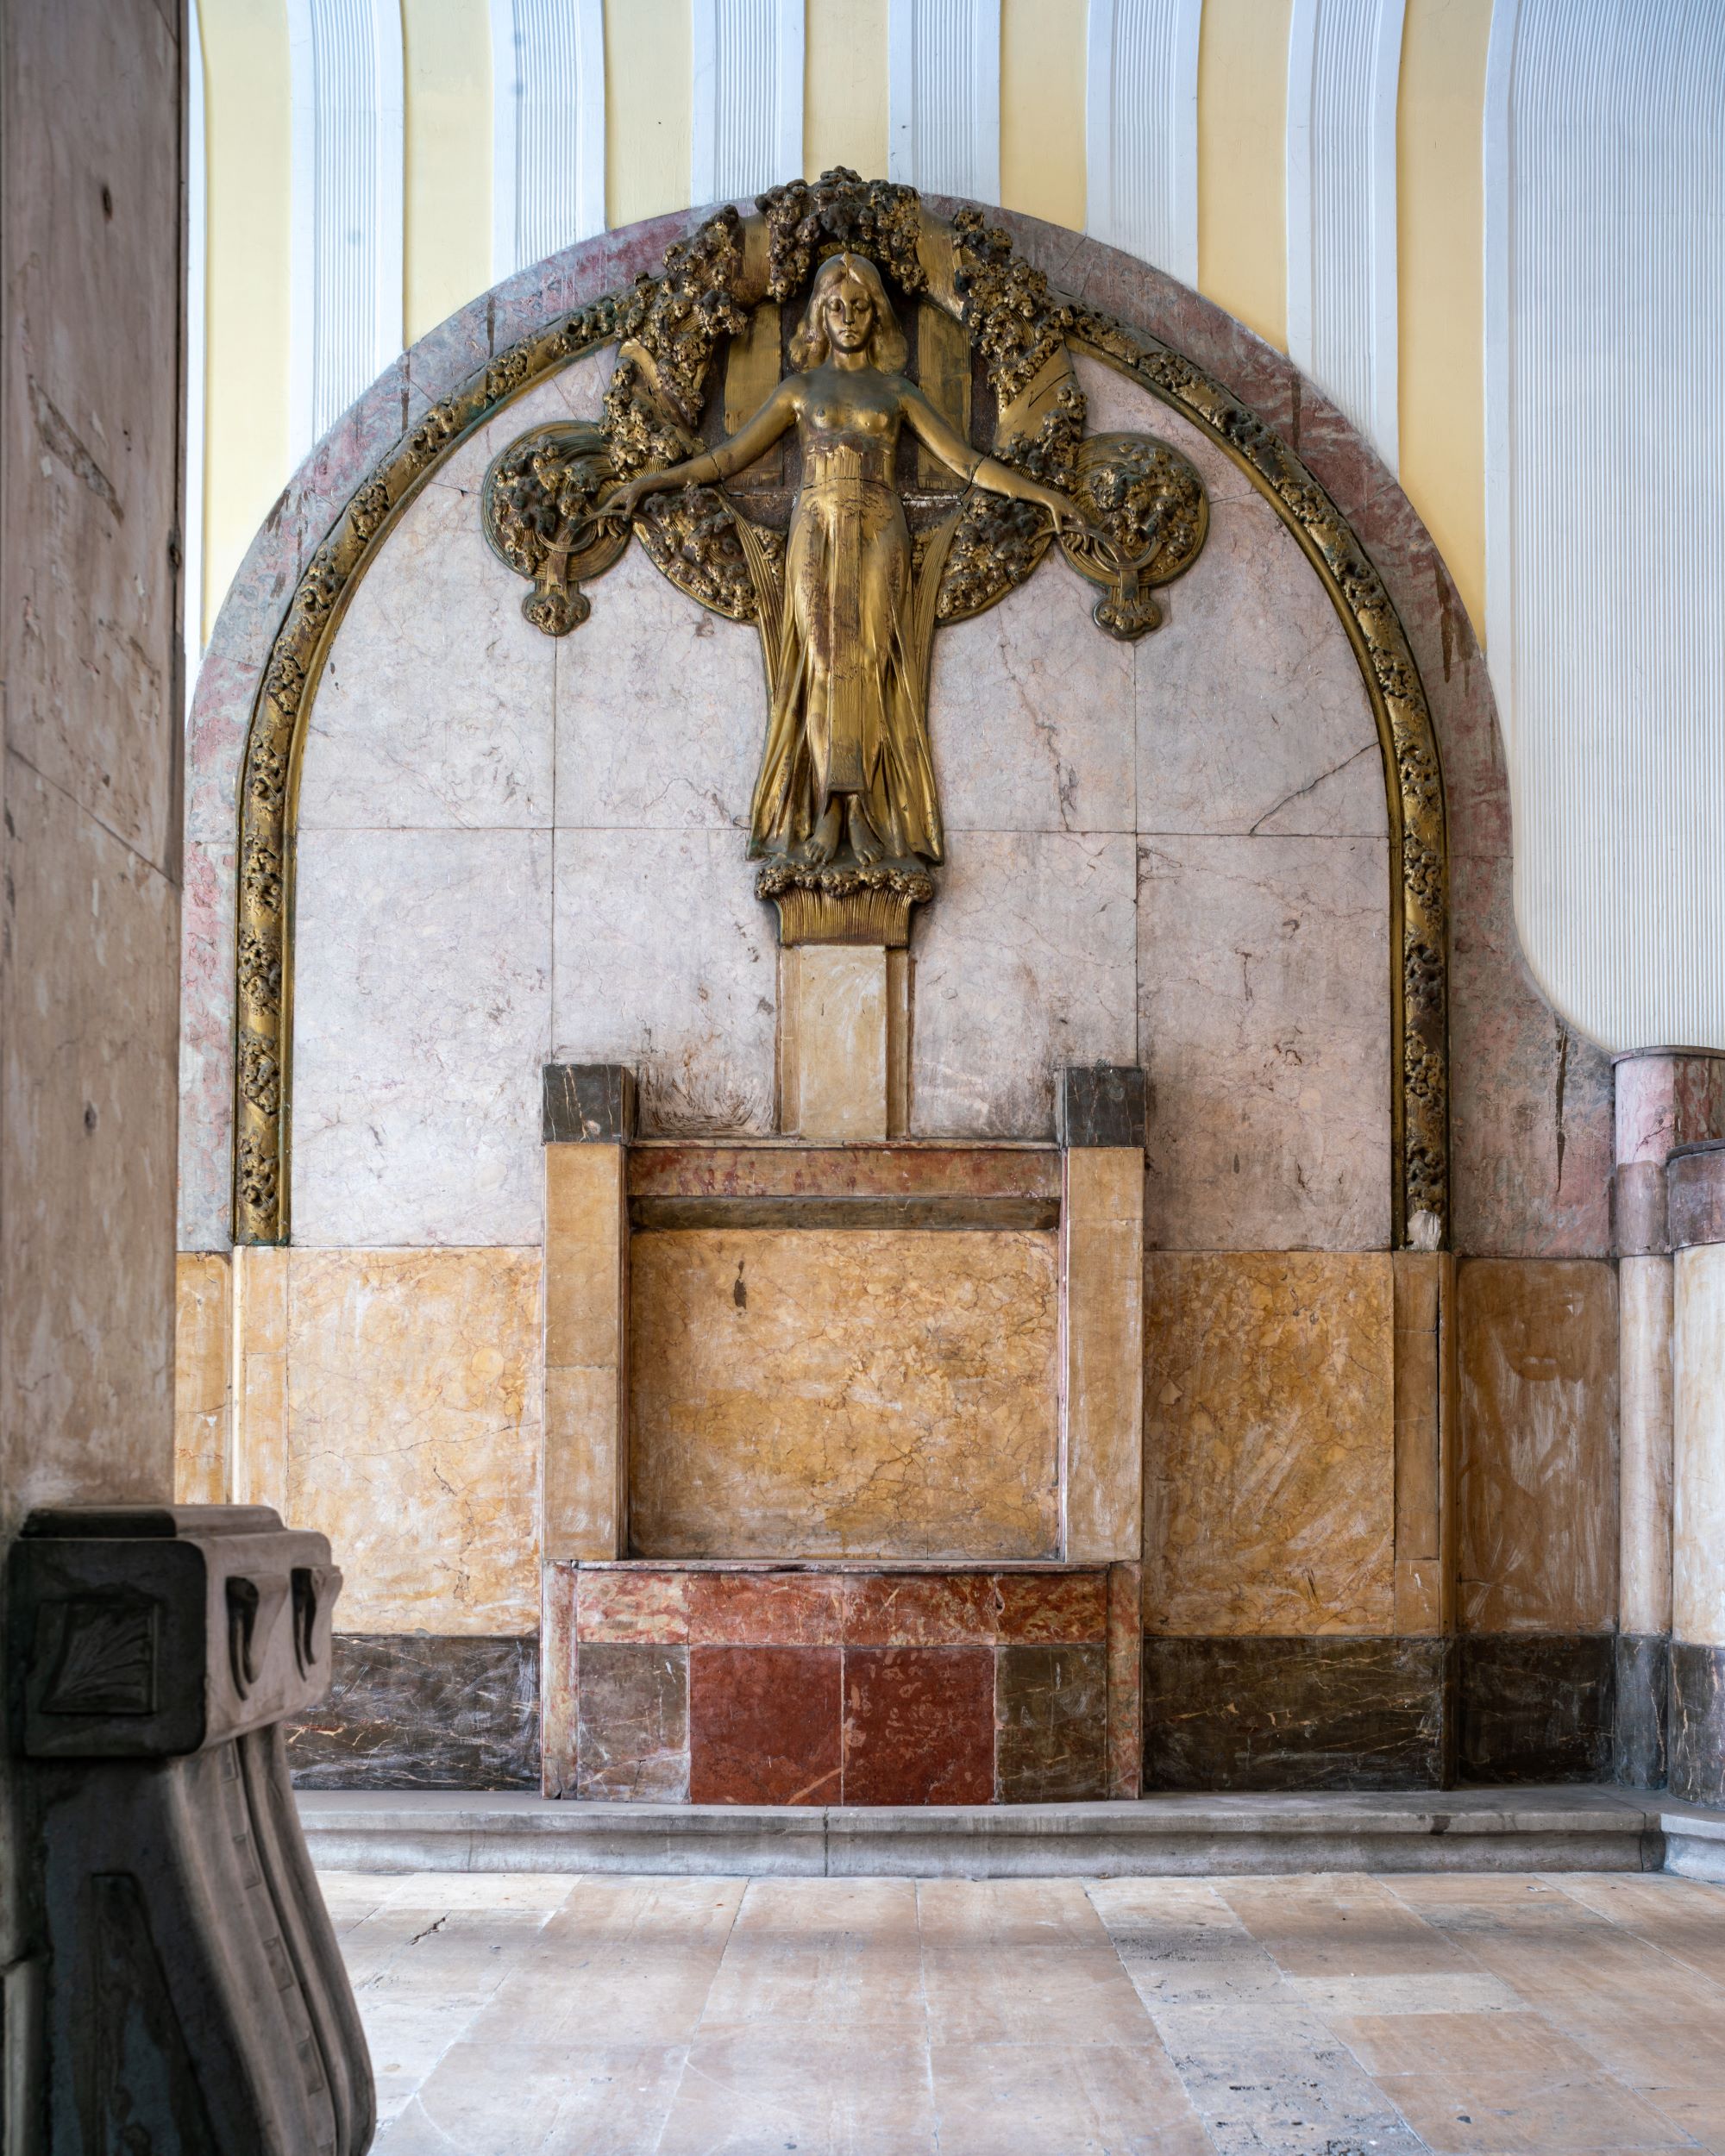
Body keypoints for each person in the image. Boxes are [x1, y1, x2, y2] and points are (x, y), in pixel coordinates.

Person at [612, 253, 1089, 870]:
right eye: (835, 306)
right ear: (818, 314)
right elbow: (727, 459)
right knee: (820, 658)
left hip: (881, 526)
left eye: (860, 307)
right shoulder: (799, 390)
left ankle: (865, 815)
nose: (848, 318)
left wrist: (1044, 493)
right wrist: (652, 483)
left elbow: (966, 462)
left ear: (877, 315)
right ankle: (824, 814)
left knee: (867, 657)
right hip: (815, 524)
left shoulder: (897, 392)